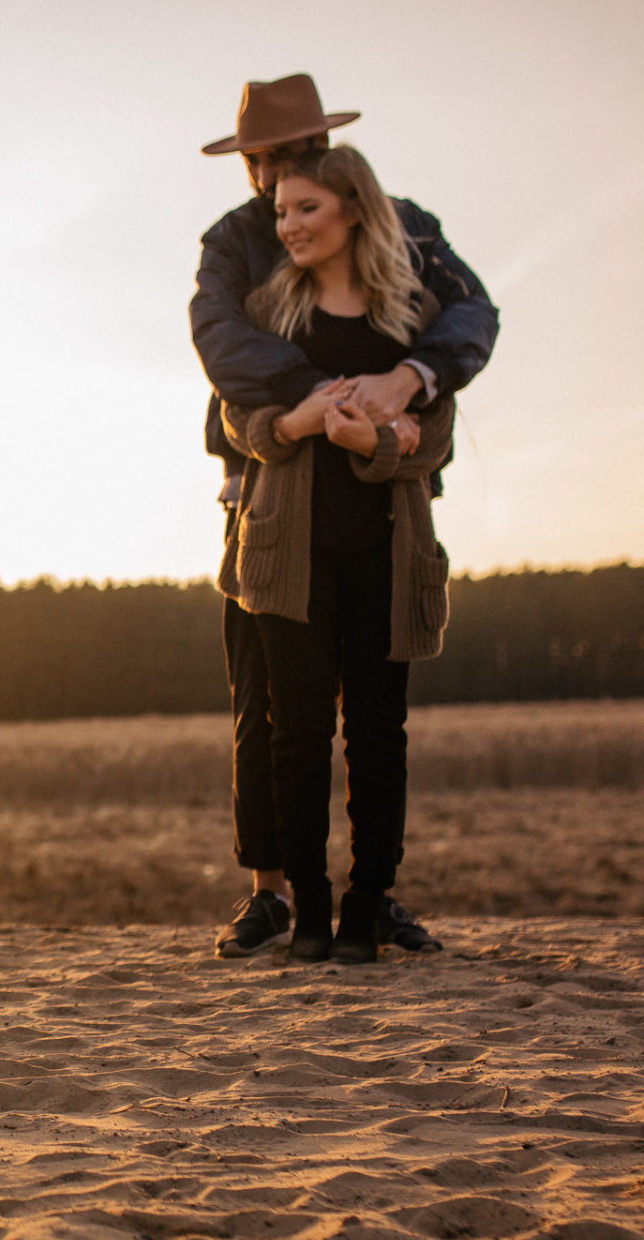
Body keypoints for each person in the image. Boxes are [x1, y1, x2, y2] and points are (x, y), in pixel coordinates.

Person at [190, 74, 497, 958]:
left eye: (291, 156)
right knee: (270, 707)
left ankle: (377, 895)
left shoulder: (402, 226)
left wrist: (404, 382)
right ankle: (271, 892)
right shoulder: (237, 242)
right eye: (262, 160)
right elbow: (222, 344)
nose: (276, 178)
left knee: (373, 713)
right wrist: (316, 403)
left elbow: (471, 313)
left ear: (326, 153)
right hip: (269, 489)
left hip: (382, 492)